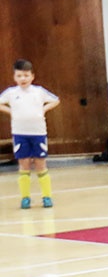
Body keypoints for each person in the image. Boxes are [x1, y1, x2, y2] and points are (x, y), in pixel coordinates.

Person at [0, 59, 60, 209]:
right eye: (19, 76)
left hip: (38, 133)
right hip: (20, 134)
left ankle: (46, 196)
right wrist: (11, 112)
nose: (23, 79)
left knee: (40, 164)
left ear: (32, 76)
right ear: (15, 77)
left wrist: (44, 109)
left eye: (26, 75)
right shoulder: (11, 93)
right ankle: (25, 197)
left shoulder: (38, 91)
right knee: (24, 165)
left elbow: (55, 100)